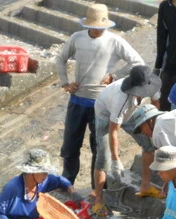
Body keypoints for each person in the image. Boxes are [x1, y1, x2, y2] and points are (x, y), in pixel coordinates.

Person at [56, 3, 144, 191]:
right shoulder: (77, 38)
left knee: (99, 149)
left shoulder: (115, 41)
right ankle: (67, 184)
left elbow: (138, 63)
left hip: (101, 104)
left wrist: (116, 75)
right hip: (77, 100)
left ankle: (97, 190)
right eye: (94, 27)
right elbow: (60, 59)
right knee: (70, 146)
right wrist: (65, 83)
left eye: (100, 27)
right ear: (88, 25)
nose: (97, 30)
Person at [92, 65, 162, 216]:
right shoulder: (121, 98)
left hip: (132, 113)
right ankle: (98, 200)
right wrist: (116, 159)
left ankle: (145, 185)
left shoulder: (153, 85)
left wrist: (152, 125)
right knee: (103, 159)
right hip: (105, 116)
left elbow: (156, 104)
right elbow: (113, 131)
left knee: (149, 144)